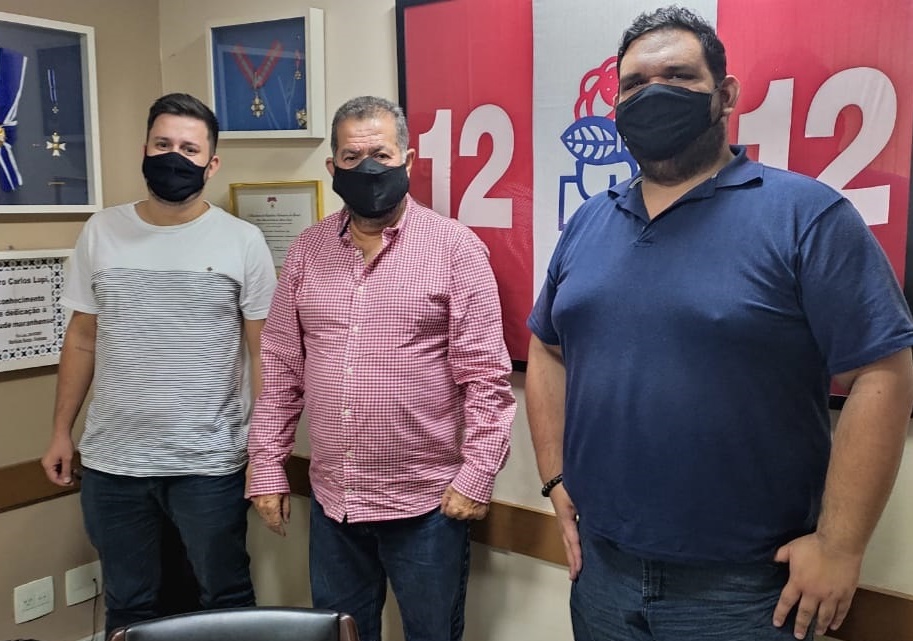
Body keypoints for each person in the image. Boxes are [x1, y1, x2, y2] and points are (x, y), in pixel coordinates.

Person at [526, 7, 913, 641]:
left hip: (747, 588)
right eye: (634, 84)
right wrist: (554, 475)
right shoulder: (589, 221)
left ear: (724, 95)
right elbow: (546, 347)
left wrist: (841, 546)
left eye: (678, 76)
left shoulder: (806, 216)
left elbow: (883, 372)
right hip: (601, 572)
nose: (653, 94)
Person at [247, 95, 515, 641]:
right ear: (333, 167)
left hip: (427, 507)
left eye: (381, 155)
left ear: (408, 160)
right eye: (352, 157)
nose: (367, 168)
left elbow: (486, 378)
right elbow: (280, 370)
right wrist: (267, 466)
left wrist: (477, 475)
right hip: (335, 504)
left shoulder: (455, 249)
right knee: (341, 635)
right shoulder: (307, 251)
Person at [41, 93, 276, 637]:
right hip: (113, 465)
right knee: (129, 605)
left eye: (190, 149)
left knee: (225, 601)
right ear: (144, 150)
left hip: (208, 464)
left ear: (211, 164)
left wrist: (264, 453)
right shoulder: (101, 231)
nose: (174, 157)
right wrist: (60, 431)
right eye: (163, 144)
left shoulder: (242, 241)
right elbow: (82, 339)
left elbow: (265, 352)